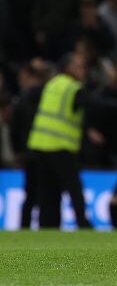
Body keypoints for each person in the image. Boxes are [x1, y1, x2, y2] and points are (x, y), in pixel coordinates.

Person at [25, 52, 95, 228]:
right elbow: (94, 104)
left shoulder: (52, 84)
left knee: (48, 190)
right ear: (68, 68)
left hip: (40, 144)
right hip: (61, 145)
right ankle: (83, 223)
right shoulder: (73, 88)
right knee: (74, 188)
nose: (83, 70)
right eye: (79, 66)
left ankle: (47, 225)